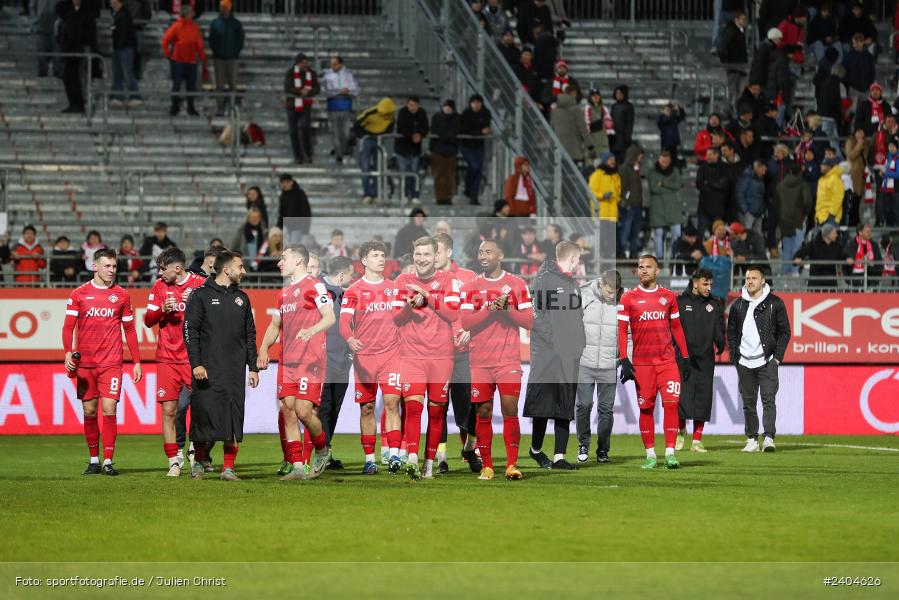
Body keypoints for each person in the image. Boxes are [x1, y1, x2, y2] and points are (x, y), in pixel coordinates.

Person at [62, 248, 142, 476]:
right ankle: (94, 459)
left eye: (114, 266)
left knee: (109, 408)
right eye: (107, 266)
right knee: (89, 411)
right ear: (94, 266)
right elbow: (68, 327)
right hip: (86, 363)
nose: (111, 270)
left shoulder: (122, 295)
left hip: (111, 363)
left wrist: (137, 361)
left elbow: (129, 329)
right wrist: (68, 352)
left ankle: (108, 461)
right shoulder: (79, 294)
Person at [257, 245, 334, 480]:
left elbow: (330, 317)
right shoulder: (283, 294)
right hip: (287, 361)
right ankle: (298, 466)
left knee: (302, 411)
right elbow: (274, 326)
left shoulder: (315, 286)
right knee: (287, 410)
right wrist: (263, 348)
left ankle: (322, 449)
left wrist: (312, 330)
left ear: (299, 260)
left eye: (283, 258)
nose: (279, 263)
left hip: (310, 361)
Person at [460, 239, 533, 480]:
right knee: (483, 411)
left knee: (510, 409)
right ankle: (487, 466)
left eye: (488, 251)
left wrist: (508, 310)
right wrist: (491, 308)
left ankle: (511, 465)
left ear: (500, 255)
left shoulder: (516, 284)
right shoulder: (471, 286)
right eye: (480, 251)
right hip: (480, 360)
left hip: (508, 360)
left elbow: (530, 322)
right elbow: (466, 322)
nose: (483, 255)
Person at [183, 250, 260, 480]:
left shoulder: (242, 298)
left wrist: (253, 367)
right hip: (206, 369)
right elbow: (190, 331)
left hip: (235, 371)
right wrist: (196, 363)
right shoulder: (200, 295)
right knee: (203, 416)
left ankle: (228, 468)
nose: (244, 271)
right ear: (226, 269)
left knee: (233, 417)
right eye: (240, 267)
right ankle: (199, 461)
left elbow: (250, 335)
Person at [391, 237, 459, 480]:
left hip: (441, 357)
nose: (421, 259)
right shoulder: (403, 280)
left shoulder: (448, 279)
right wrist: (411, 305)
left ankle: (429, 465)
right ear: (413, 254)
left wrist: (428, 297)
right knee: (412, 408)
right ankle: (411, 458)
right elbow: (397, 318)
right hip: (412, 355)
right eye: (418, 254)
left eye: (426, 255)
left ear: (436, 256)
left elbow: (453, 314)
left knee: (437, 412)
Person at [617, 254, 691, 470]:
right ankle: (650, 455)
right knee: (646, 408)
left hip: (667, 363)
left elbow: (676, 328)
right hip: (642, 365)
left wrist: (684, 357)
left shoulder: (668, 296)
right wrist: (624, 359)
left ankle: (670, 453)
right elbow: (622, 331)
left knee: (671, 405)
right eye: (640, 267)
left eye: (648, 267)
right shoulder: (628, 298)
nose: (644, 270)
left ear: (658, 270)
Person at [338, 241, 403, 474]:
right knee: (366, 408)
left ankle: (395, 455)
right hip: (364, 358)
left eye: (383, 255)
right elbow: (344, 321)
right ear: (364, 260)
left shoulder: (394, 288)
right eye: (375, 255)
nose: (381, 259)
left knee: (392, 403)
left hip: (391, 355)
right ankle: (369, 459)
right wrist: (349, 338)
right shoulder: (354, 291)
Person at [142, 247, 206, 477]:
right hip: (167, 358)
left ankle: (196, 452)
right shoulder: (159, 287)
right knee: (169, 410)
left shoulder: (200, 285)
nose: (159, 274)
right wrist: (161, 310)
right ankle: (173, 460)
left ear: (177, 268)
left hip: (194, 358)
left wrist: (196, 304)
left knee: (201, 410)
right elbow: (148, 320)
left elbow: (213, 320)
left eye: (162, 269)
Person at [523, 241, 585, 470]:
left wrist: (579, 344)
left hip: (569, 355)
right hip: (548, 354)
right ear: (571, 258)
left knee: (565, 404)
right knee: (543, 405)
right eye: (578, 259)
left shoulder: (572, 284)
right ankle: (536, 450)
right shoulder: (544, 278)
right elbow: (536, 314)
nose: (579, 263)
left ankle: (559, 456)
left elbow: (576, 318)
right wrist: (555, 341)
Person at [727, 265, 790, 453]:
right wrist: (735, 358)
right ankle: (752, 439)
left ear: (763, 281)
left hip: (767, 360)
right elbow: (731, 333)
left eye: (754, 278)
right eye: (747, 278)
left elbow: (785, 332)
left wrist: (777, 358)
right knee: (748, 403)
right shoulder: (738, 305)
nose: (750, 281)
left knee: (768, 400)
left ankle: (769, 438)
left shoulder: (775, 303)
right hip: (744, 361)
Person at [433, 233, 481, 473]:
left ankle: (470, 448)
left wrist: (472, 331)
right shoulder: (428, 280)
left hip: (464, 353)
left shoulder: (469, 278)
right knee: (438, 405)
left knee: (470, 405)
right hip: (437, 353)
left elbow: (482, 311)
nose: (434, 255)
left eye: (437, 250)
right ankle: (441, 458)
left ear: (449, 252)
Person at [674, 268, 725, 453]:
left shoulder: (715, 304)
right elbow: (673, 328)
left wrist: (721, 342)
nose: (708, 287)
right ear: (695, 283)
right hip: (684, 358)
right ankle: (681, 431)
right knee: (681, 398)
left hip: (705, 359)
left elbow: (719, 327)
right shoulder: (680, 302)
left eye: (710, 284)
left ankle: (697, 440)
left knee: (703, 398)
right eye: (705, 283)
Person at [575, 269, 620, 464]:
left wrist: (626, 359)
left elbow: (627, 335)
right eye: (609, 291)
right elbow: (572, 326)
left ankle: (603, 450)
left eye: (615, 292)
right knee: (584, 405)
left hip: (610, 363)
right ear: (601, 284)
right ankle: (583, 443)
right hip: (585, 362)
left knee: (606, 409)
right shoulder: (583, 295)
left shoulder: (624, 302)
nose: (612, 296)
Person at [318, 256, 354, 468]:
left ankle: (327, 450)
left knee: (334, 408)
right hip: (323, 358)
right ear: (342, 275)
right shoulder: (319, 290)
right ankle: (322, 451)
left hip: (343, 359)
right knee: (324, 407)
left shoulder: (348, 294)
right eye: (350, 274)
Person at [161, 5, 207, 117]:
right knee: (176, 85)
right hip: (178, 61)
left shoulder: (194, 27)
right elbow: (165, 39)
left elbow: (199, 45)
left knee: (191, 86)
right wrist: (167, 54)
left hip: (191, 61)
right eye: (191, 13)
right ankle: (174, 107)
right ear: (186, 15)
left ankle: (191, 107)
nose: (193, 15)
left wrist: (203, 60)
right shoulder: (176, 26)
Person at [56, 0, 97, 114]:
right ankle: (76, 104)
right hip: (73, 49)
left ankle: (78, 104)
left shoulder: (78, 15)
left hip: (76, 50)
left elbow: (79, 34)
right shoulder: (69, 16)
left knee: (75, 78)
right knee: (71, 78)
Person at [355, 98, 397, 204]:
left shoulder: (392, 117)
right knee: (365, 168)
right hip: (367, 138)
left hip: (380, 140)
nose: (386, 116)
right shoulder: (370, 113)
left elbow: (390, 128)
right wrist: (362, 135)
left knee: (379, 168)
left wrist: (382, 135)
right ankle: (367, 193)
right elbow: (357, 124)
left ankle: (376, 193)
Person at [775, 162, 814, 275]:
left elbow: (776, 204)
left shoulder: (780, 186)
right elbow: (808, 202)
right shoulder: (803, 185)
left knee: (787, 247)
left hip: (784, 222)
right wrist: (804, 214)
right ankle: (795, 273)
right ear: (800, 171)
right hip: (798, 221)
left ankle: (786, 274)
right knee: (797, 248)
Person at [207, 0, 244, 116]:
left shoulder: (236, 24)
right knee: (219, 85)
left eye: (226, 7)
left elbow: (240, 40)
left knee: (233, 84)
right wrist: (216, 52)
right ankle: (220, 108)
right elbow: (211, 40)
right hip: (219, 59)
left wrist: (235, 52)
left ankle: (232, 107)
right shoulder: (215, 23)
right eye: (222, 7)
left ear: (230, 8)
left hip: (232, 58)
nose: (223, 9)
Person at [647, 149, 683, 259]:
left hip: (673, 208)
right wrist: (670, 188)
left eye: (666, 162)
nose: (664, 164)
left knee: (676, 233)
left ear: (670, 161)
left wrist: (662, 183)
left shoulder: (675, 171)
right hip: (658, 208)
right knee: (658, 234)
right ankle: (659, 258)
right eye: (662, 162)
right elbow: (654, 189)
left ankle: (675, 256)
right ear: (659, 160)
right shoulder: (652, 172)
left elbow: (677, 186)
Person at [322, 55, 358, 164]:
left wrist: (348, 92)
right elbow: (326, 91)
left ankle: (341, 150)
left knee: (345, 133)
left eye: (335, 64)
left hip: (346, 107)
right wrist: (339, 92)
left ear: (341, 64)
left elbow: (355, 90)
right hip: (333, 107)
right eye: (331, 64)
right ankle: (339, 154)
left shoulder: (349, 74)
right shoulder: (327, 75)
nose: (332, 66)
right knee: (335, 133)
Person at [284, 52, 319, 164]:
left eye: (306, 62)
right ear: (297, 63)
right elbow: (287, 87)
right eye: (302, 63)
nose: (305, 65)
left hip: (306, 105)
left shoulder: (311, 73)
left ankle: (308, 154)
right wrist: (300, 91)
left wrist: (308, 91)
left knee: (305, 129)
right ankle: (298, 156)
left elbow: (317, 88)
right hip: (292, 105)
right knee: (293, 132)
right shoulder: (290, 73)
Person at [395, 96, 429, 204]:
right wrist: (412, 135)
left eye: (415, 105)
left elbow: (425, 127)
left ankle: (415, 194)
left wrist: (420, 135)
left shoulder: (422, 113)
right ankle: (404, 194)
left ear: (418, 105)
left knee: (414, 171)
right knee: (404, 171)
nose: (413, 107)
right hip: (402, 147)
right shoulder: (402, 113)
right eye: (410, 105)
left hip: (415, 149)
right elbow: (402, 127)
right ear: (407, 104)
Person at [459, 94, 492, 206]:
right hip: (466, 145)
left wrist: (483, 131)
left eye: (478, 103)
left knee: (477, 170)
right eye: (474, 102)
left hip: (479, 145)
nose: (476, 105)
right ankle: (469, 189)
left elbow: (486, 128)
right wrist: (479, 132)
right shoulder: (466, 114)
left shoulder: (486, 113)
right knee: (474, 166)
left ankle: (474, 196)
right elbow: (463, 129)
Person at [793, 223, 848, 289]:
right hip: (815, 280)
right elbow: (801, 252)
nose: (836, 235)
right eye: (834, 233)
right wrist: (797, 258)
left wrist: (848, 258)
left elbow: (843, 255)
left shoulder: (837, 246)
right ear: (827, 234)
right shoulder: (813, 244)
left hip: (831, 281)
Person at [109, 0, 141, 108]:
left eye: (113, 2)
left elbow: (125, 32)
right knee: (117, 73)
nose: (111, 4)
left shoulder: (124, 15)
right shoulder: (117, 14)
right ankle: (117, 97)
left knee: (127, 72)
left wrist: (120, 45)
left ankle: (136, 97)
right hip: (119, 47)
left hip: (124, 48)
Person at [717, 11, 749, 116]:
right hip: (733, 65)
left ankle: (735, 110)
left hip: (740, 65)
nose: (744, 21)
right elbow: (721, 48)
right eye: (742, 19)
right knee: (731, 90)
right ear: (736, 20)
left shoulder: (740, 31)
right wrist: (727, 63)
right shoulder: (730, 31)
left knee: (738, 91)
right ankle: (727, 110)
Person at [429, 99, 461, 206]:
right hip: (438, 151)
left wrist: (445, 136)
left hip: (450, 151)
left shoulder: (457, 118)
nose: (447, 108)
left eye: (449, 107)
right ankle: (440, 197)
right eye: (445, 106)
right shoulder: (437, 117)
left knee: (449, 176)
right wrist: (448, 136)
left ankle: (447, 197)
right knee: (439, 176)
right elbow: (435, 130)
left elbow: (456, 130)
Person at [695, 146, 732, 235]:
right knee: (701, 234)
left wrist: (708, 183)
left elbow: (722, 185)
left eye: (710, 155)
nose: (707, 157)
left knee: (718, 235)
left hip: (718, 210)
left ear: (717, 155)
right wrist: (714, 184)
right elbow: (699, 184)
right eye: (707, 154)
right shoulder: (702, 168)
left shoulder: (725, 168)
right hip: (704, 209)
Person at [551, 85, 591, 166]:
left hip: (559, 149)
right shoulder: (576, 109)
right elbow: (583, 128)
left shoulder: (554, 110)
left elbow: (552, 127)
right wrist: (590, 144)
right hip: (574, 150)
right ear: (573, 94)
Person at [618, 145, 644, 259]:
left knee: (635, 232)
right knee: (625, 231)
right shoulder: (624, 169)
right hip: (628, 206)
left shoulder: (637, 169)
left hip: (637, 205)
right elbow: (621, 188)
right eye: (639, 156)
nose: (641, 158)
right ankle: (621, 252)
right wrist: (625, 201)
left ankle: (633, 253)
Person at [842, 34, 875, 110]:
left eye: (858, 42)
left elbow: (872, 71)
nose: (856, 45)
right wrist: (850, 84)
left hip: (866, 89)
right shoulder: (848, 56)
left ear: (863, 42)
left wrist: (869, 84)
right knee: (852, 113)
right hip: (853, 89)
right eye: (854, 43)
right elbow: (843, 71)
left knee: (866, 113)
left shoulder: (868, 56)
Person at [845, 222, 884, 287]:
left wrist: (869, 266)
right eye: (867, 232)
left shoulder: (874, 245)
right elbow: (844, 264)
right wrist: (848, 280)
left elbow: (880, 265)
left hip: (871, 281)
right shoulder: (850, 245)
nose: (870, 234)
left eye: (870, 231)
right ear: (860, 232)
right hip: (854, 282)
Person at [735, 160, 768, 234]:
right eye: (762, 170)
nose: (764, 173)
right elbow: (739, 194)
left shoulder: (761, 180)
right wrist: (745, 211)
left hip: (758, 213)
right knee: (747, 235)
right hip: (748, 214)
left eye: (765, 170)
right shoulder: (746, 177)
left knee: (757, 237)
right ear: (757, 167)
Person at [277, 173, 311, 241]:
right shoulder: (283, 196)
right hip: (288, 228)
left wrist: (306, 228)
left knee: (293, 248)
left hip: (299, 227)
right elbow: (281, 213)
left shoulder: (300, 194)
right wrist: (278, 227)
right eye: (282, 183)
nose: (284, 185)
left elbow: (306, 211)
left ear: (291, 182)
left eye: (286, 182)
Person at [31, 0, 60, 78]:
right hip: (40, 24)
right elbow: (32, 6)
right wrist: (35, 20)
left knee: (57, 50)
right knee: (40, 49)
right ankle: (42, 70)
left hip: (56, 25)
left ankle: (57, 70)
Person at [815, 157, 845, 226]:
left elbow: (838, 198)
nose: (821, 166)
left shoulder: (835, 178)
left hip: (830, 218)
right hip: (820, 217)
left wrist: (831, 214)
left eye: (823, 165)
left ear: (829, 167)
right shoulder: (821, 180)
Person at [610, 86, 634, 162]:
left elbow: (629, 122)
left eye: (620, 93)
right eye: (617, 93)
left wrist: (627, 137)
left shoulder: (629, 106)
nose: (618, 95)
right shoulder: (614, 106)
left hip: (623, 137)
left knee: (622, 158)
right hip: (614, 136)